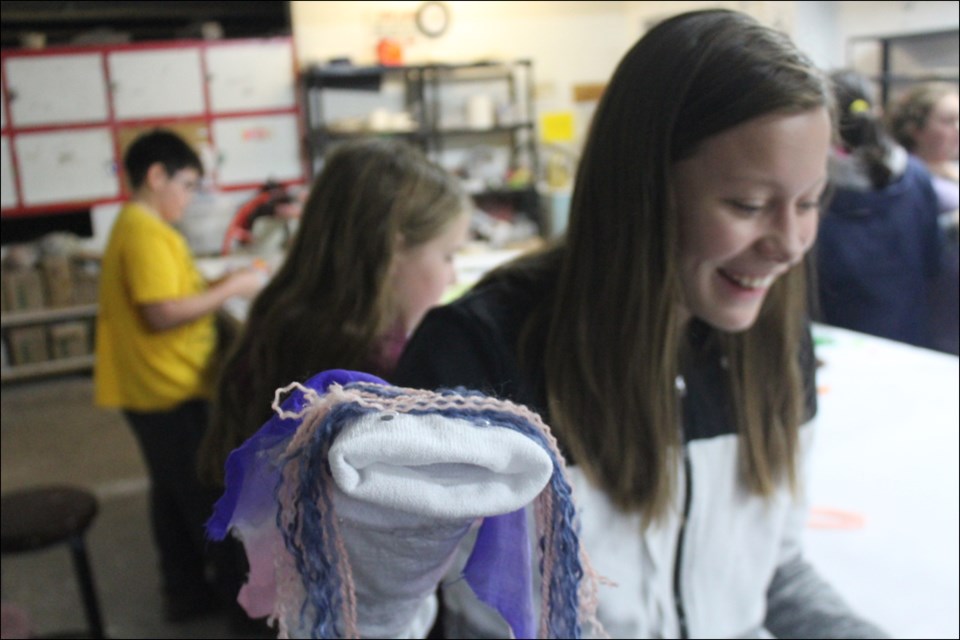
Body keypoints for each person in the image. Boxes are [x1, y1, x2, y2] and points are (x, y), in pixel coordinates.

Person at [391, 9, 887, 639]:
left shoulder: (774, 342)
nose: (790, 244)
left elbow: (773, 578)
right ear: (644, 188)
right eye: (749, 205)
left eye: (811, 201)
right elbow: (427, 614)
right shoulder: (482, 354)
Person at [198, 137, 471, 489]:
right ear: (394, 249)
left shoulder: (286, 313)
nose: (453, 276)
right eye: (448, 255)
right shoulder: (374, 367)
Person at [94, 129, 265, 621]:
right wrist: (235, 285)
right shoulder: (144, 230)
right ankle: (242, 613)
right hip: (168, 389)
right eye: (187, 185)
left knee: (171, 493)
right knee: (208, 499)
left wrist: (213, 283)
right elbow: (162, 312)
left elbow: (169, 292)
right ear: (156, 176)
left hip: (153, 386)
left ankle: (185, 593)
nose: (189, 199)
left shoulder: (140, 226)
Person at [815, 70, 942, 348]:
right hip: (908, 333)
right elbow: (933, 260)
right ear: (878, 111)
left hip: (838, 338)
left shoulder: (817, 186)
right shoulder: (916, 176)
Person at [887, 83, 959, 354]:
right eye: (948, 121)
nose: (958, 129)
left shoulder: (951, 170)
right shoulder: (905, 181)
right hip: (937, 318)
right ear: (914, 129)